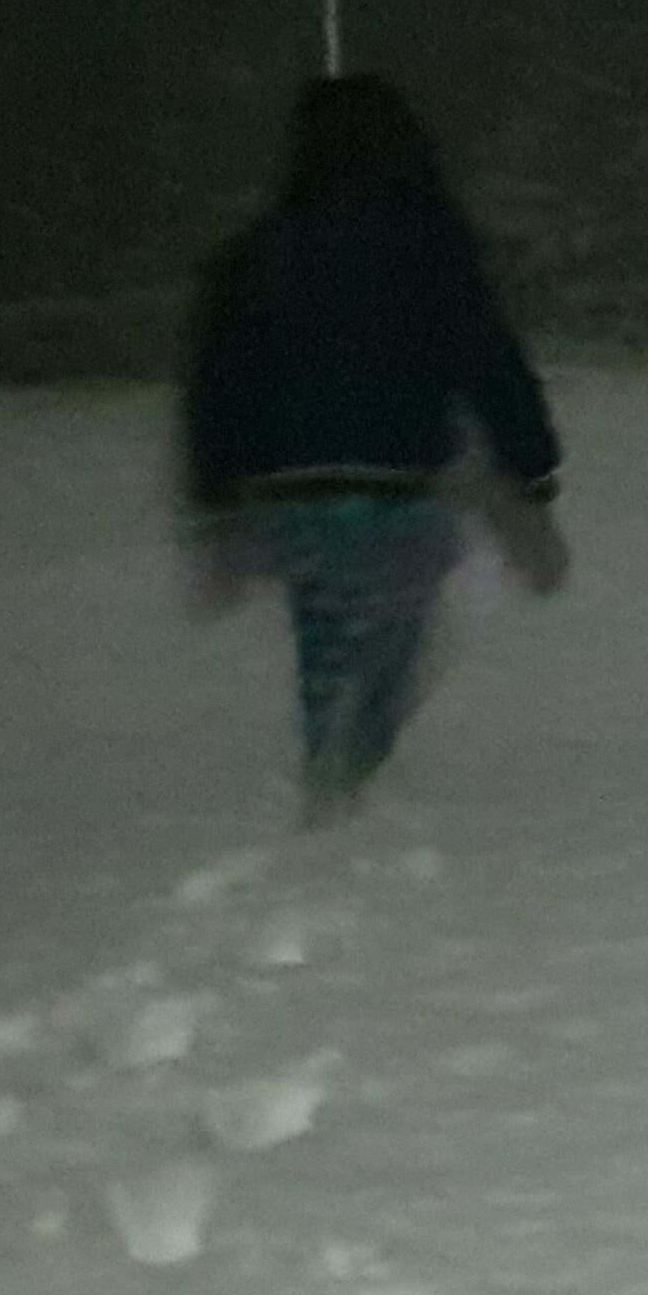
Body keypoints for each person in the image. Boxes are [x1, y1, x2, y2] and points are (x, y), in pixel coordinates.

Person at [180, 74, 567, 825]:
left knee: (325, 630)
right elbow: (490, 365)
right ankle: (349, 767)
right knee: (395, 636)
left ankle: (332, 765)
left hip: (294, 490)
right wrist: (533, 467)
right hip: (398, 485)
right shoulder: (432, 249)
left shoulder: (261, 255)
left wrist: (217, 492)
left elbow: (218, 379)